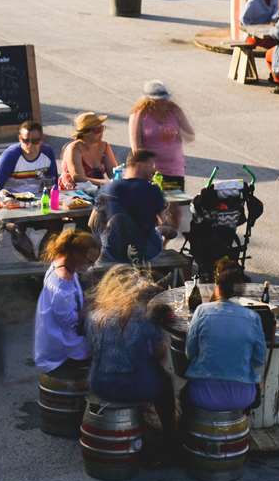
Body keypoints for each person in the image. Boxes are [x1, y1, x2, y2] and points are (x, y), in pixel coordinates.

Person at [88, 266, 178, 461]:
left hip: (99, 384)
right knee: (165, 382)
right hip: (133, 387)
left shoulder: (96, 315)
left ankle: (142, 419)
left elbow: (91, 350)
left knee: (141, 370)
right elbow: (160, 355)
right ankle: (170, 438)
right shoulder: (146, 319)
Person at [182, 259, 268, 414]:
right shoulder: (252, 317)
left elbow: (190, 352)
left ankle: (185, 433)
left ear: (217, 289)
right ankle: (239, 429)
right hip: (243, 396)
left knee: (182, 395)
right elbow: (259, 360)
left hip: (202, 393)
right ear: (241, 293)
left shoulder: (201, 311)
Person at [34, 229, 99, 376]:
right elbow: (69, 322)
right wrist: (88, 310)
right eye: (89, 261)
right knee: (108, 348)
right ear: (76, 254)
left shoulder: (64, 265)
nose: (91, 266)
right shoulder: (62, 285)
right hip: (61, 351)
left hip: (57, 338)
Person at [94, 150, 171, 265]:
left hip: (111, 252)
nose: (154, 170)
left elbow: (92, 223)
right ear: (139, 165)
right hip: (144, 253)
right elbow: (162, 221)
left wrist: (104, 243)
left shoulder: (107, 188)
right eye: (151, 165)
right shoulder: (152, 190)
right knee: (160, 232)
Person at [129, 81, 195, 192]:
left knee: (174, 205)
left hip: (174, 170)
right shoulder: (139, 114)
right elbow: (136, 148)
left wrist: (177, 133)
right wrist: (149, 168)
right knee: (153, 206)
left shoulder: (174, 110)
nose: (163, 103)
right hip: (151, 172)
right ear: (149, 101)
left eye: (164, 99)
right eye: (158, 100)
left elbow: (190, 135)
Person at [0, 119, 58, 197]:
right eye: (26, 140)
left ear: (42, 139)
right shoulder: (10, 156)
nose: (30, 145)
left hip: (39, 200)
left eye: (35, 141)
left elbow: (54, 184)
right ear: (20, 139)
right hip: (12, 200)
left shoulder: (48, 152)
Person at [60, 111, 117, 190]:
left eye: (102, 128)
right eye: (97, 130)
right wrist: (106, 183)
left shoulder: (104, 146)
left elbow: (114, 173)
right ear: (85, 132)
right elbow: (78, 178)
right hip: (74, 194)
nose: (101, 132)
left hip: (97, 190)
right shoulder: (74, 148)